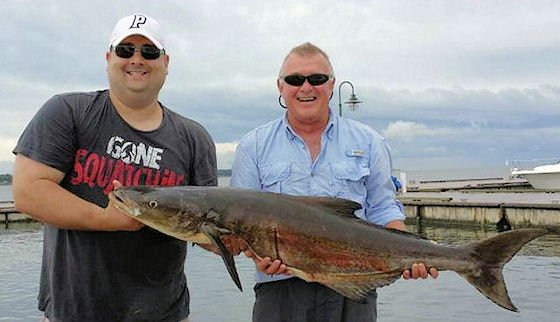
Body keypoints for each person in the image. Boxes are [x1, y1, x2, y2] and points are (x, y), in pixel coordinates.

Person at [12, 13, 217, 322]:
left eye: (149, 52)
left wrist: (260, 249)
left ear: (166, 62)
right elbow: (28, 192)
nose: (137, 59)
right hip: (73, 313)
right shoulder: (68, 112)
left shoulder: (194, 138)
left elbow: (209, 226)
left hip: (165, 314)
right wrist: (107, 219)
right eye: (125, 50)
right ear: (109, 58)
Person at [230, 42, 437, 322]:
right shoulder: (252, 146)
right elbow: (240, 223)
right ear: (280, 87)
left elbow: (383, 209)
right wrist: (258, 258)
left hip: (354, 288)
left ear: (332, 85)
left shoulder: (370, 142)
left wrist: (413, 252)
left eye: (317, 79)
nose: (306, 87)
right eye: (294, 80)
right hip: (280, 292)